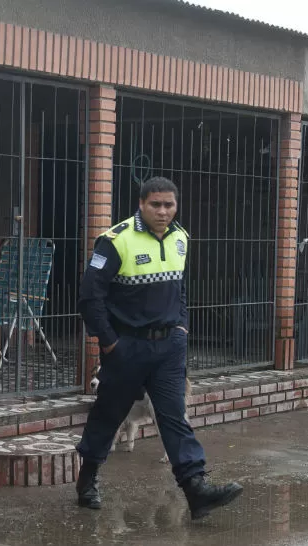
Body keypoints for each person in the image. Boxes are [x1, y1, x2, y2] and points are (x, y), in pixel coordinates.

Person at [75, 176, 243, 520]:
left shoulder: (181, 237)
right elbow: (90, 297)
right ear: (141, 204)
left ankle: (196, 489)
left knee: (174, 418)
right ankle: (87, 479)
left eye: (169, 205)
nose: (163, 211)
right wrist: (108, 342)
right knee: (108, 415)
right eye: (156, 204)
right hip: (126, 349)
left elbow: (180, 289)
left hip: (168, 349)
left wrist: (181, 327)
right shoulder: (114, 240)